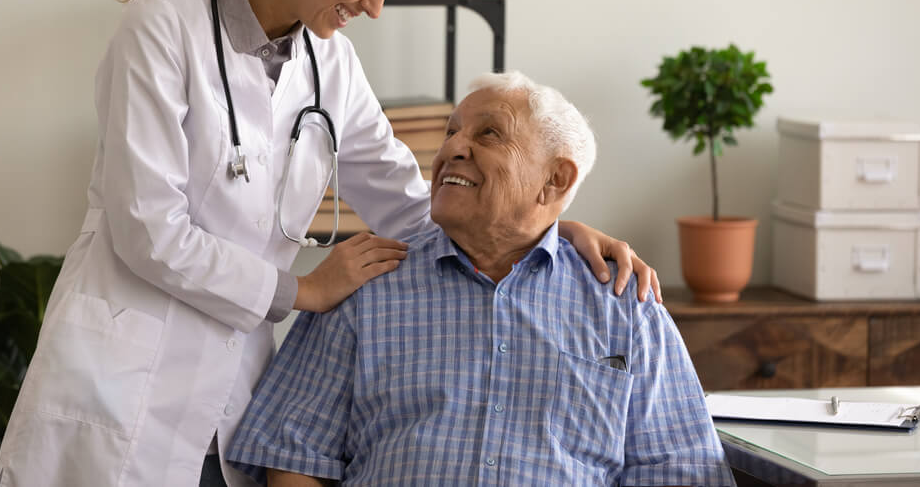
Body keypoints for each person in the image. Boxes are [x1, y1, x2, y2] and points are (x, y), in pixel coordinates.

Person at [0, 0, 660, 487]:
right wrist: (303, 290)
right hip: (120, 381)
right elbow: (148, 231)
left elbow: (411, 203)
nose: (375, 6)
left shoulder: (328, 63)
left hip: (228, 391)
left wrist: (550, 230)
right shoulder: (163, 28)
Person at [227, 71, 734, 486]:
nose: (452, 149)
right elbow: (292, 454)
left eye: (487, 134)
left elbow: (681, 470)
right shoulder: (366, 283)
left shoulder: (626, 304)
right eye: (451, 132)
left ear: (556, 180)